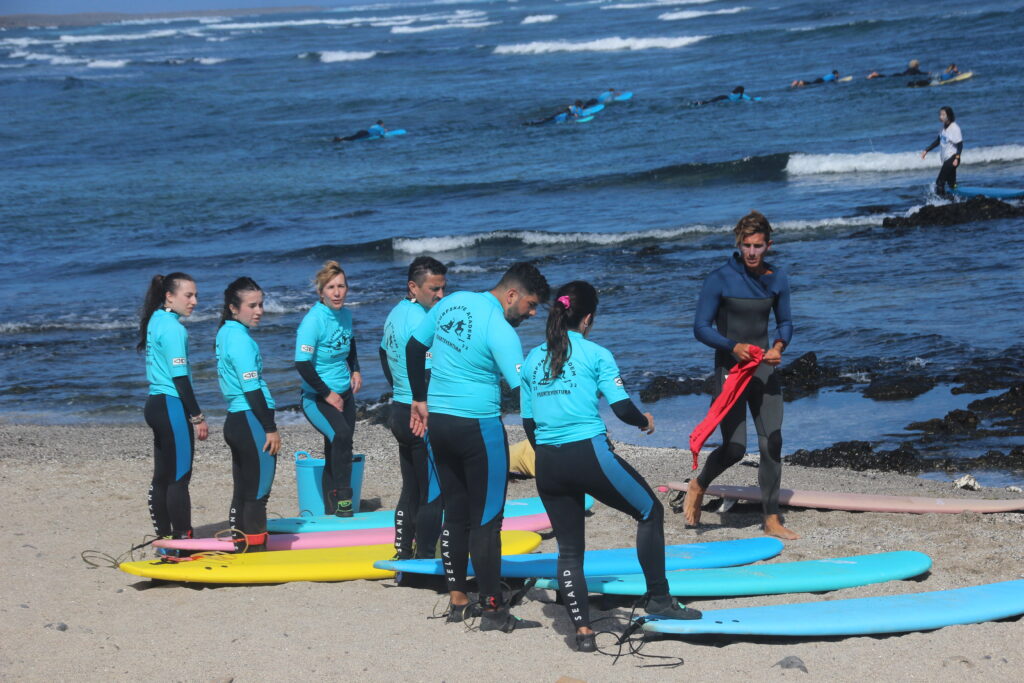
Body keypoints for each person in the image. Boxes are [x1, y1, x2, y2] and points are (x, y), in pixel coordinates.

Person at [521, 281, 702, 653]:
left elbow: (528, 424)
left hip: (548, 462)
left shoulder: (532, 359)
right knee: (649, 511)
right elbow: (621, 408)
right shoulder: (596, 353)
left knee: (569, 550)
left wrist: (553, 454)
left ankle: (583, 633)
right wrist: (644, 422)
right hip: (587, 453)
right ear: (587, 319)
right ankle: (658, 599)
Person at [405, 262, 550, 632]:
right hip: (478, 429)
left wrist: (418, 399)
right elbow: (524, 394)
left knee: (454, 513)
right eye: (531, 305)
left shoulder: (452, 301)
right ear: (512, 294)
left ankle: (457, 600)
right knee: (487, 521)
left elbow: (414, 345)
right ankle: (493, 609)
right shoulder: (500, 329)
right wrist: (543, 441)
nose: (532, 314)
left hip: (440, 424)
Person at [684, 211, 797, 540]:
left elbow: (786, 322)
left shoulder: (777, 278)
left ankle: (771, 517)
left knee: (772, 441)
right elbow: (701, 328)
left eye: (758, 246)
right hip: (731, 370)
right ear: (738, 244)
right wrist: (733, 347)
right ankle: (699, 485)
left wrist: (779, 345)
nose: (751, 252)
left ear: (768, 245)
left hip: (764, 367)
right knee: (734, 448)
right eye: (746, 245)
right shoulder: (719, 279)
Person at [379, 256, 448, 560]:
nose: (441, 295)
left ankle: (402, 553)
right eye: (434, 289)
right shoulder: (422, 321)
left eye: (443, 288)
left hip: (398, 411)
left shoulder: (396, 313)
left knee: (411, 488)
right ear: (413, 286)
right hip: (418, 415)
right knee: (432, 491)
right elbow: (429, 373)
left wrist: (400, 389)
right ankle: (425, 560)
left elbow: (383, 353)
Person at [137, 272, 208, 541]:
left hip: (155, 404)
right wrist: (197, 416)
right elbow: (179, 377)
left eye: (196, 295)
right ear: (169, 295)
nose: (194, 301)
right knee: (179, 477)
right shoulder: (175, 329)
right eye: (188, 295)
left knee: (162, 477)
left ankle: (165, 539)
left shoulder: (156, 319)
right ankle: (182, 540)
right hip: (171, 405)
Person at [216, 277, 280, 552]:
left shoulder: (225, 333)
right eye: (252, 305)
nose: (259, 311)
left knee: (244, 490)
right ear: (233, 308)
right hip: (251, 420)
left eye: (261, 304)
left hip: (236, 420)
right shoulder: (241, 340)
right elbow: (251, 388)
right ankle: (255, 553)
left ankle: (241, 546)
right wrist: (270, 427)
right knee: (257, 494)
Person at [295, 261, 361, 517]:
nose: (337, 292)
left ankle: (328, 509)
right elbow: (302, 363)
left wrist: (355, 369)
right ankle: (344, 503)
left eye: (341, 286)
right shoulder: (313, 321)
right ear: (321, 291)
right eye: (331, 287)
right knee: (341, 437)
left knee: (338, 446)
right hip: (316, 397)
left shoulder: (345, 314)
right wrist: (327, 393)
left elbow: (350, 341)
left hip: (343, 393)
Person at [921, 106, 963, 196]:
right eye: (940, 114)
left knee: (939, 183)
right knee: (951, 184)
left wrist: (957, 158)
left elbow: (960, 145)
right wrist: (927, 150)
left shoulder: (955, 128)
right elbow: (938, 141)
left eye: (943, 115)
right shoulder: (943, 128)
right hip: (947, 159)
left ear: (949, 115)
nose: (941, 116)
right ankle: (957, 198)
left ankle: (941, 202)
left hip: (952, 158)